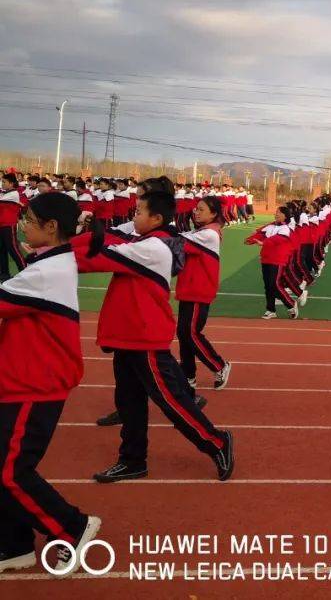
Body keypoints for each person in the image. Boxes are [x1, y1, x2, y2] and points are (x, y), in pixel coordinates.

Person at [72, 190, 234, 483]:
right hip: (128, 334)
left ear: (156, 218)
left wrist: (64, 246)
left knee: (171, 401)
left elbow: (100, 255)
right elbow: (114, 238)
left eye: (138, 212)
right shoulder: (146, 240)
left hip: (144, 336)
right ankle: (132, 460)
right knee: (130, 400)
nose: (132, 217)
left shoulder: (154, 247)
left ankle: (217, 441)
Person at [0, 192, 102, 576]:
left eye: (28, 218)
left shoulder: (47, 272)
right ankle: (13, 545)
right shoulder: (50, 261)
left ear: (51, 227)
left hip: (34, 383)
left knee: (10, 472)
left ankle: (72, 528)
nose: (21, 223)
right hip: (22, 377)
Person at [177, 195, 230, 399]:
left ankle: (219, 365)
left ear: (214, 214)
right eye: (196, 209)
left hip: (199, 290)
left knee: (190, 333)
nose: (196, 212)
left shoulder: (209, 234)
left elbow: (178, 241)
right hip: (189, 288)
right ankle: (188, 375)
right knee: (183, 332)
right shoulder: (200, 231)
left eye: (201, 209)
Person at [246, 206, 298, 319]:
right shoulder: (271, 226)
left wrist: (263, 242)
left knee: (274, 285)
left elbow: (277, 240)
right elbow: (261, 234)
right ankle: (271, 310)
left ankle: (291, 304)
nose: (276, 214)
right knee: (268, 286)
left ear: (285, 215)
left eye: (279, 213)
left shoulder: (285, 228)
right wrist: (251, 239)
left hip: (278, 259)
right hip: (266, 258)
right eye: (276, 212)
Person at [0, 173, 27, 281]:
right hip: (2, 225)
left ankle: (25, 272)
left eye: (4, 182)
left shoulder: (13, 194)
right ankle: (4, 273)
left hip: (8, 225)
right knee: (2, 250)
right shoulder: (5, 193)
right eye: (2, 181)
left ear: (11, 184)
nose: (2, 184)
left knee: (13, 249)